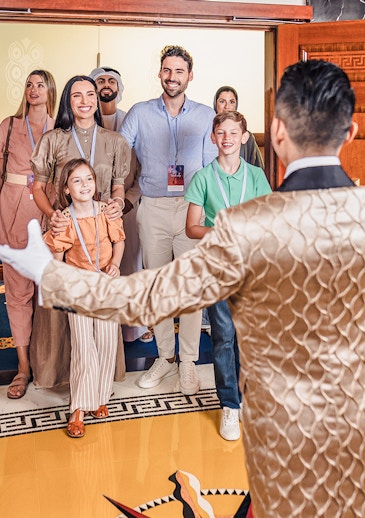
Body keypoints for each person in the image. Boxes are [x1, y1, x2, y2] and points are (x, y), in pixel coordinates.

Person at [0, 59, 365, 516]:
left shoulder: (245, 227)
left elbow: (144, 297)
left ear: (277, 132)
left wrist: (48, 271)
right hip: (359, 437)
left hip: (278, 441)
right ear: (351, 133)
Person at [118, 45, 217, 395]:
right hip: (154, 207)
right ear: (159, 73)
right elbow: (118, 149)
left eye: (179, 71)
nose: (172, 76)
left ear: (190, 76)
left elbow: (210, 168)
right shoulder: (140, 113)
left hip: (193, 209)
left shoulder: (206, 116)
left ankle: (188, 362)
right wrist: (114, 189)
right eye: (166, 70)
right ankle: (165, 357)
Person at [29, 75, 131, 388]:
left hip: (100, 237)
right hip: (64, 234)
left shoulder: (115, 141)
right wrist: (53, 215)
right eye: (77, 95)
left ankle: (100, 379)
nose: (85, 101)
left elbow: (118, 186)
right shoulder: (54, 139)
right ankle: (58, 376)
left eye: (90, 94)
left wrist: (116, 203)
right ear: (68, 102)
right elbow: (39, 187)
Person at [184, 110, 272, 441]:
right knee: (223, 335)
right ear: (213, 138)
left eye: (233, 132)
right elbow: (192, 228)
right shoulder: (203, 178)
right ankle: (229, 405)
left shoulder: (257, 177)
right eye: (221, 132)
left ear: (244, 137)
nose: (227, 138)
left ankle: (248, 398)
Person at [0, 69, 56, 399]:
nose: (33, 89)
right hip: (13, 210)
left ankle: (51, 362)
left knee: (50, 292)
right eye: (29, 84)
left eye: (40, 85)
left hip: (48, 214)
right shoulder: (10, 125)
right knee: (17, 292)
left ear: (50, 90)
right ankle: (23, 366)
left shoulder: (61, 129)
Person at [43, 158, 125, 438]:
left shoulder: (106, 212)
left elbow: (119, 241)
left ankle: (99, 395)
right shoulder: (64, 219)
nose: (84, 185)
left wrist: (115, 263)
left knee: (105, 342)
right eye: (76, 181)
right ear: (66, 189)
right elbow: (56, 256)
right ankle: (78, 408)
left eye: (88, 178)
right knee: (83, 346)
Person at [89, 66, 152, 344]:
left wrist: (129, 199)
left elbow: (143, 169)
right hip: (90, 208)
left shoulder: (132, 120)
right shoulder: (84, 120)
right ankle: (101, 329)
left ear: (119, 87)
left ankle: (133, 328)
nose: (105, 85)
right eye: (100, 80)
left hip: (126, 205)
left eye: (110, 81)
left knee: (130, 264)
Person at [213, 86, 265, 170]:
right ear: (215, 104)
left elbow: (257, 168)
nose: (227, 106)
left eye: (232, 102)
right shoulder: (206, 133)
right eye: (222, 101)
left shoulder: (247, 137)